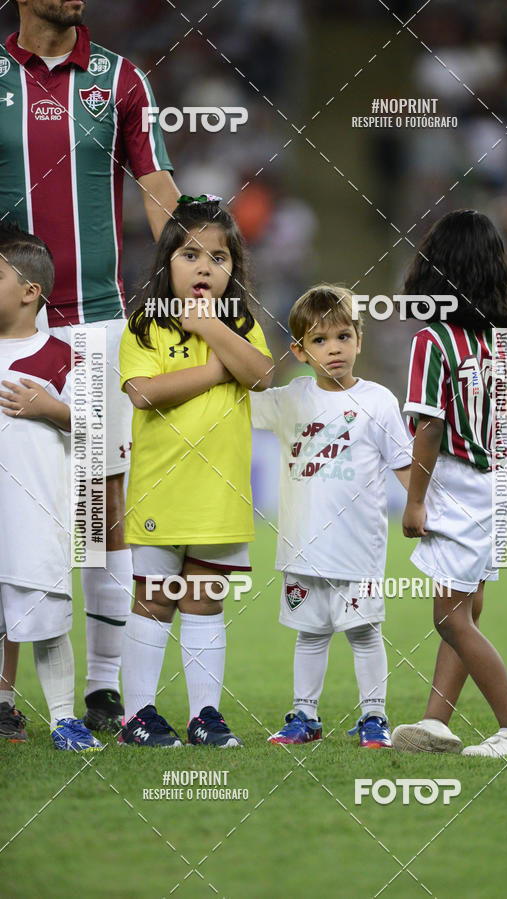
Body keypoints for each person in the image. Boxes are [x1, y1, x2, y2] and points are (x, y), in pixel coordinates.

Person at [0, 0, 180, 732]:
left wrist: (184, 295)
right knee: (6, 501)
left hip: (99, 323)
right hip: (9, 326)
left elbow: (158, 185)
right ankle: (4, 695)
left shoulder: (121, 78)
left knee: (106, 503)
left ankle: (103, 688)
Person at [118, 195, 273, 748]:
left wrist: (211, 331)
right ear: (166, 265)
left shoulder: (241, 325)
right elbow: (143, 393)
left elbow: (262, 376)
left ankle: (205, 715)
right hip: (162, 494)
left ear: (235, 269)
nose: (206, 266)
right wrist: (213, 372)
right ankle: (136, 715)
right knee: (155, 599)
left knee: (205, 599)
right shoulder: (143, 327)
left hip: (218, 497)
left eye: (219, 257)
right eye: (190, 254)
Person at [391, 209, 507, 757]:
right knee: (469, 606)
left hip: (460, 484)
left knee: (449, 618)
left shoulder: (434, 341)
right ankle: (436, 722)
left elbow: (429, 424)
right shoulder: (505, 339)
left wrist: (414, 501)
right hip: (501, 483)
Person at [251, 285, 412, 749]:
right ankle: (305, 715)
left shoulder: (378, 401)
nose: (334, 348)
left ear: (359, 339)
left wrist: (426, 510)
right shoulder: (289, 400)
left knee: (363, 633)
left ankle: (374, 718)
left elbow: (404, 466)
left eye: (343, 336)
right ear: (299, 351)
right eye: (319, 341)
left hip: (358, 550)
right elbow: (234, 406)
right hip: (302, 548)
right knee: (310, 634)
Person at [0, 222, 102, 750]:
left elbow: (97, 429)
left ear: (30, 290)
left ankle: (65, 717)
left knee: (45, 615)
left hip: (36, 513)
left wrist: (50, 408)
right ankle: (4, 707)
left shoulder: (65, 356)